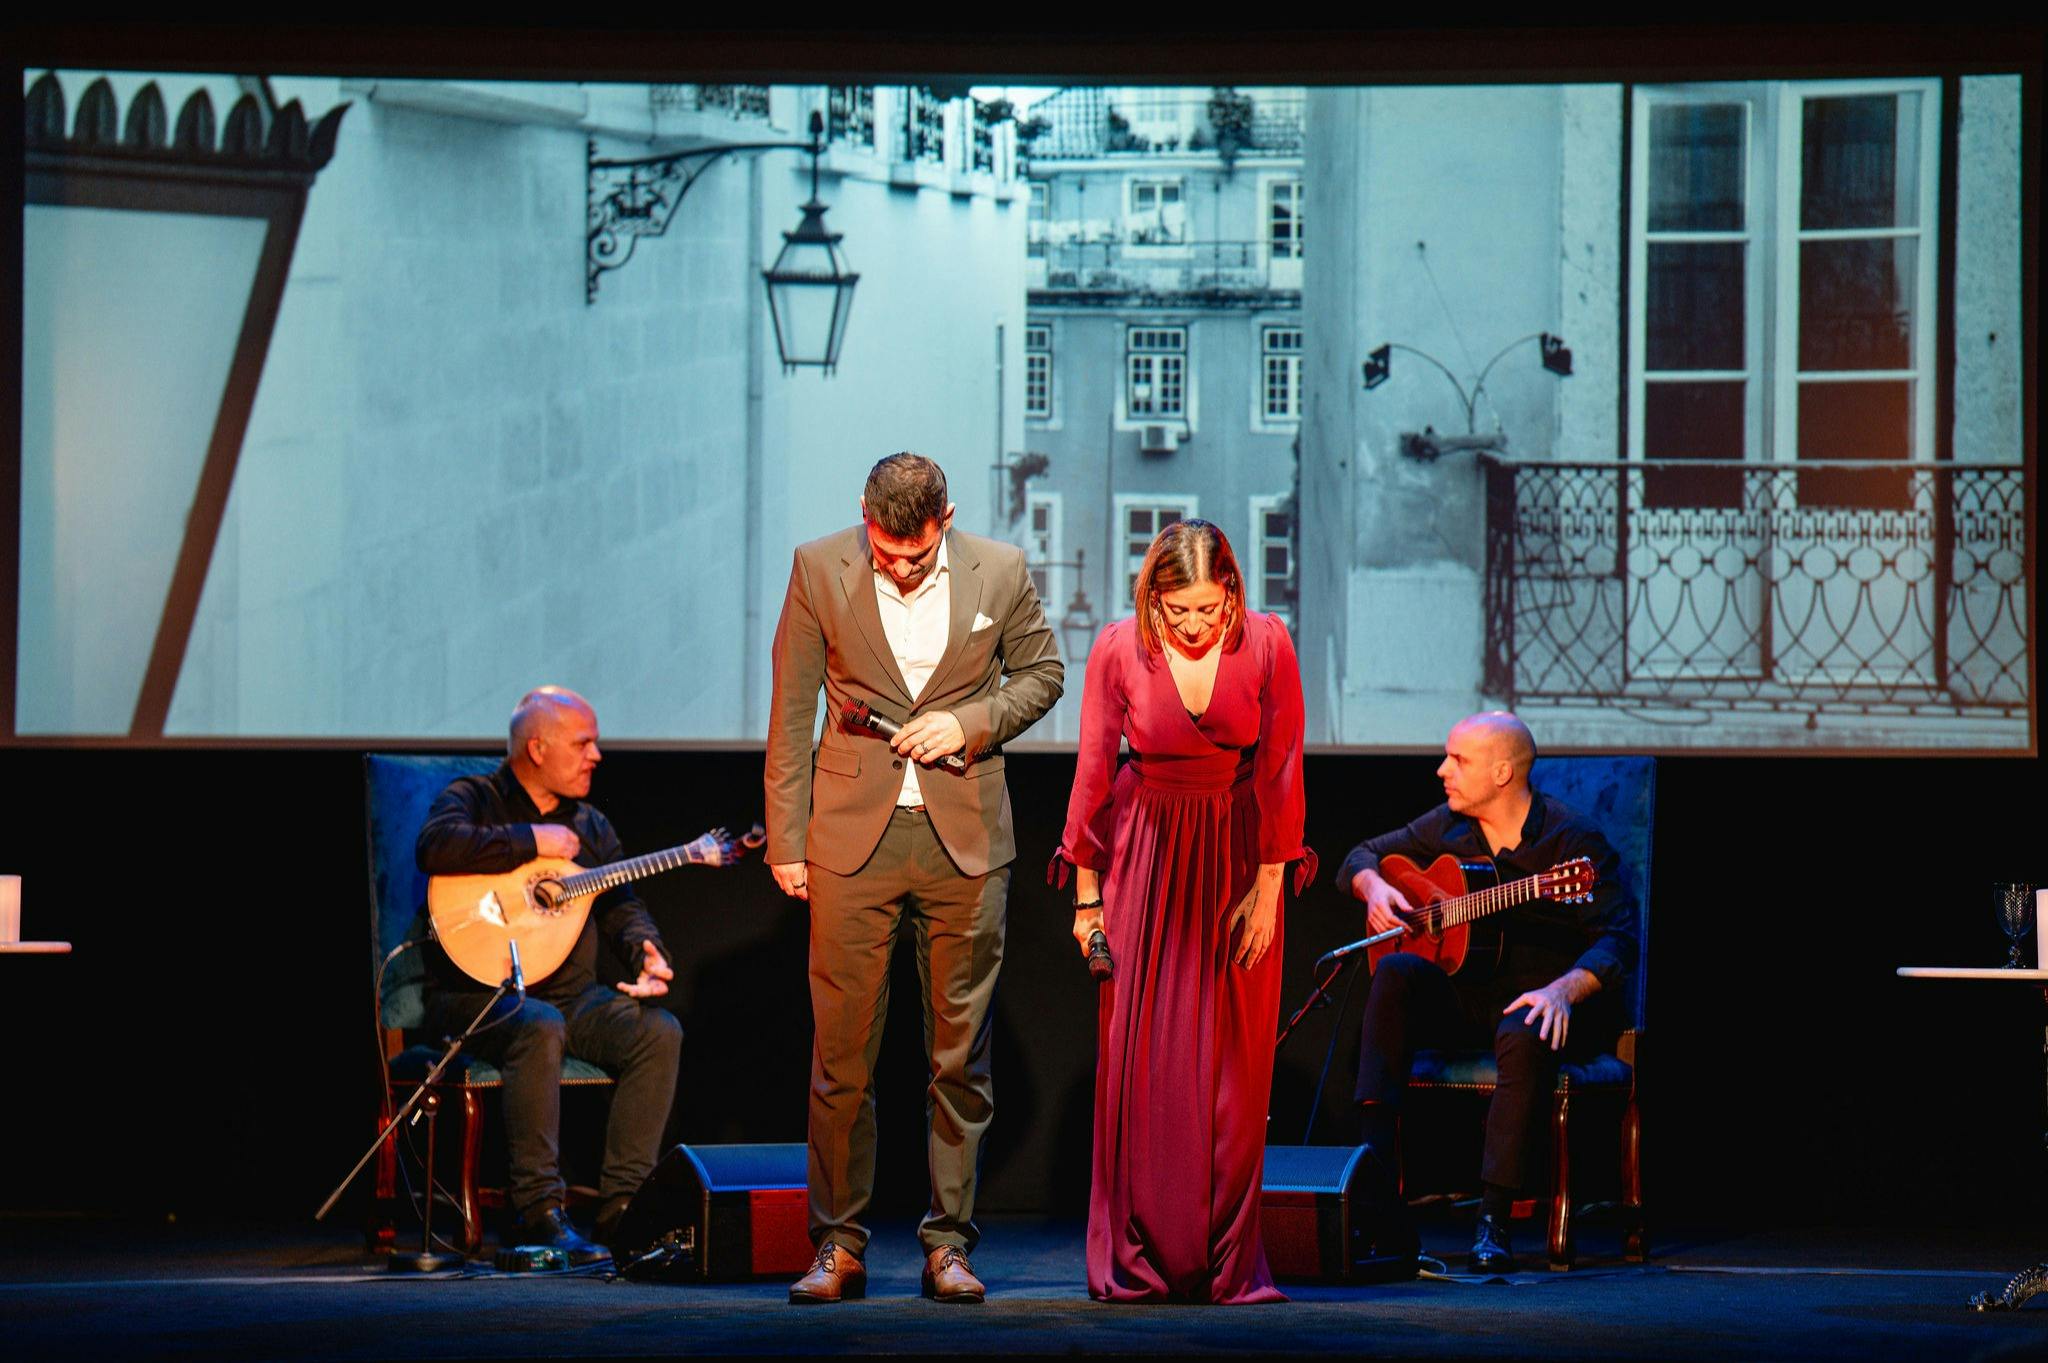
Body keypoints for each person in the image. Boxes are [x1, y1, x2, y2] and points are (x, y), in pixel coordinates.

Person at [765, 453, 1064, 1304]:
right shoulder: (819, 566)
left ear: (947, 518)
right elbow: (792, 712)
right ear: (864, 512)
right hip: (848, 839)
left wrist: (968, 723)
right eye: (886, 547)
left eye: (916, 552)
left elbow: (1044, 674)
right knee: (842, 1056)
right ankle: (837, 1244)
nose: (899, 564)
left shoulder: (998, 569)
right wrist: (788, 838)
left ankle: (948, 1244)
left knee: (958, 1055)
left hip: (963, 838)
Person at [1055, 518, 1312, 1304]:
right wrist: (1087, 902)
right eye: (1180, 610)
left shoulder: (1268, 643)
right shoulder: (1116, 647)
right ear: (1153, 596)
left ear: (1232, 589)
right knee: (1145, 1064)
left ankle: (1226, 1261)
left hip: (1238, 856)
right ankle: (1138, 1259)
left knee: (1235, 1067)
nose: (1196, 625)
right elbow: (1095, 771)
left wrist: (1268, 889)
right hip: (1144, 854)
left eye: (1209, 606)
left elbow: (1281, 769)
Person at [1341, 711, 1637, 1273]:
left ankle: (1494, 1219)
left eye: (1458, 760)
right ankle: (1373, 1195)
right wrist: (1375, 887)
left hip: (1544, 1004)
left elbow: (1619, 940)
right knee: (1395, 975)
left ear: (1502, 772)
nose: (1441, 770)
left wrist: (1563, 992)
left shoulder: (1572, 842)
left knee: (1524, 1026)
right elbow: (1360, 856)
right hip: (1469, 996)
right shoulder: (1449, 826)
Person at [416, 686, 682, 1263]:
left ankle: (625, 1212)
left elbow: (620, 905)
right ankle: (537, 1212)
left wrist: (646, 952)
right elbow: (435, 846)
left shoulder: (591, 825)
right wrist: (530, 841)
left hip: (569, 999)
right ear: (536, 748)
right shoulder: (476, 797)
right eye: (583, 743)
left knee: (657, 1031)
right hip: (475, 997)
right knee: (537, 1025)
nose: (596, 756)